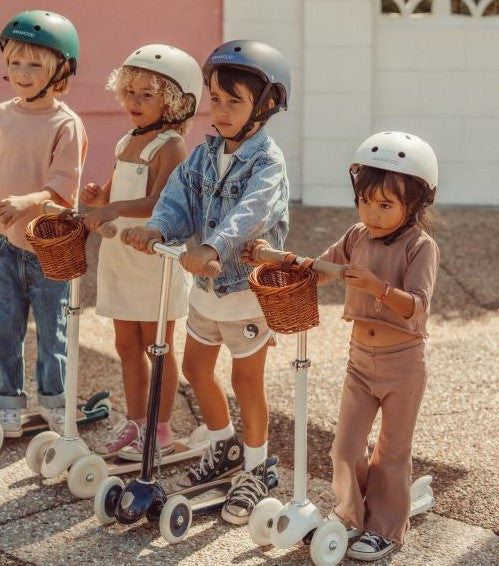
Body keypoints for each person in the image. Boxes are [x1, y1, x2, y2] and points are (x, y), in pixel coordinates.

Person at [122, 39, 290, 524]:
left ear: (268, 104)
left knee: (246, 380)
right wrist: (158, 228)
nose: (219, 111)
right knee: (196, 370)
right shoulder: (204, 152)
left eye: (233, 102)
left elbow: (249, 213)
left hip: (244, 293)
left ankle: (258, 468)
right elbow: (177, 196)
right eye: (215, 99)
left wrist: (212, 247)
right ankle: (224, 445)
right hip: (206, 291)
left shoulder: (267, 162)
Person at [318, 131, 440, 561]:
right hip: (359, 359)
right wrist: (279, 260)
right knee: (345, 448)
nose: (372, 212)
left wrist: (377, 287)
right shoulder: (357, 236)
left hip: (403, 362)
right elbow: (323, 268)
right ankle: (351, 517)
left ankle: (386, 528)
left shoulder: (420, 246)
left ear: (416, 205)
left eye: (385, 204)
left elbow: (418, 307)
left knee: (391, 450)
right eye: (366, 201)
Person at [79, 45, 203, 461]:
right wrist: (102, 196)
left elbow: (159, 203)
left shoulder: (171, 147)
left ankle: (161, 427)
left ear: (174, 101)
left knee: (158, 347)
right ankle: (135, 420)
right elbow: (118, 191)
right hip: (121, 254)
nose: (133, 101)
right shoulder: (128, 141)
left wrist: (113, 208)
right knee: (126, 345)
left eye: (146, 94)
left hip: (152, 258)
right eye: (129, 92)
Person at [0, 10, 87, 436]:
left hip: (50, 247)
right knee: (4, 328)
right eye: (15, 62)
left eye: (35, 63)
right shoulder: (3, 114)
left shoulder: (65, 124)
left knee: (53, 336)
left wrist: (25, 201)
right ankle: (6, 405)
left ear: (61, 70)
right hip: (4, 244)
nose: (22, 72)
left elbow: (62, 188)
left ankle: (56, 405)